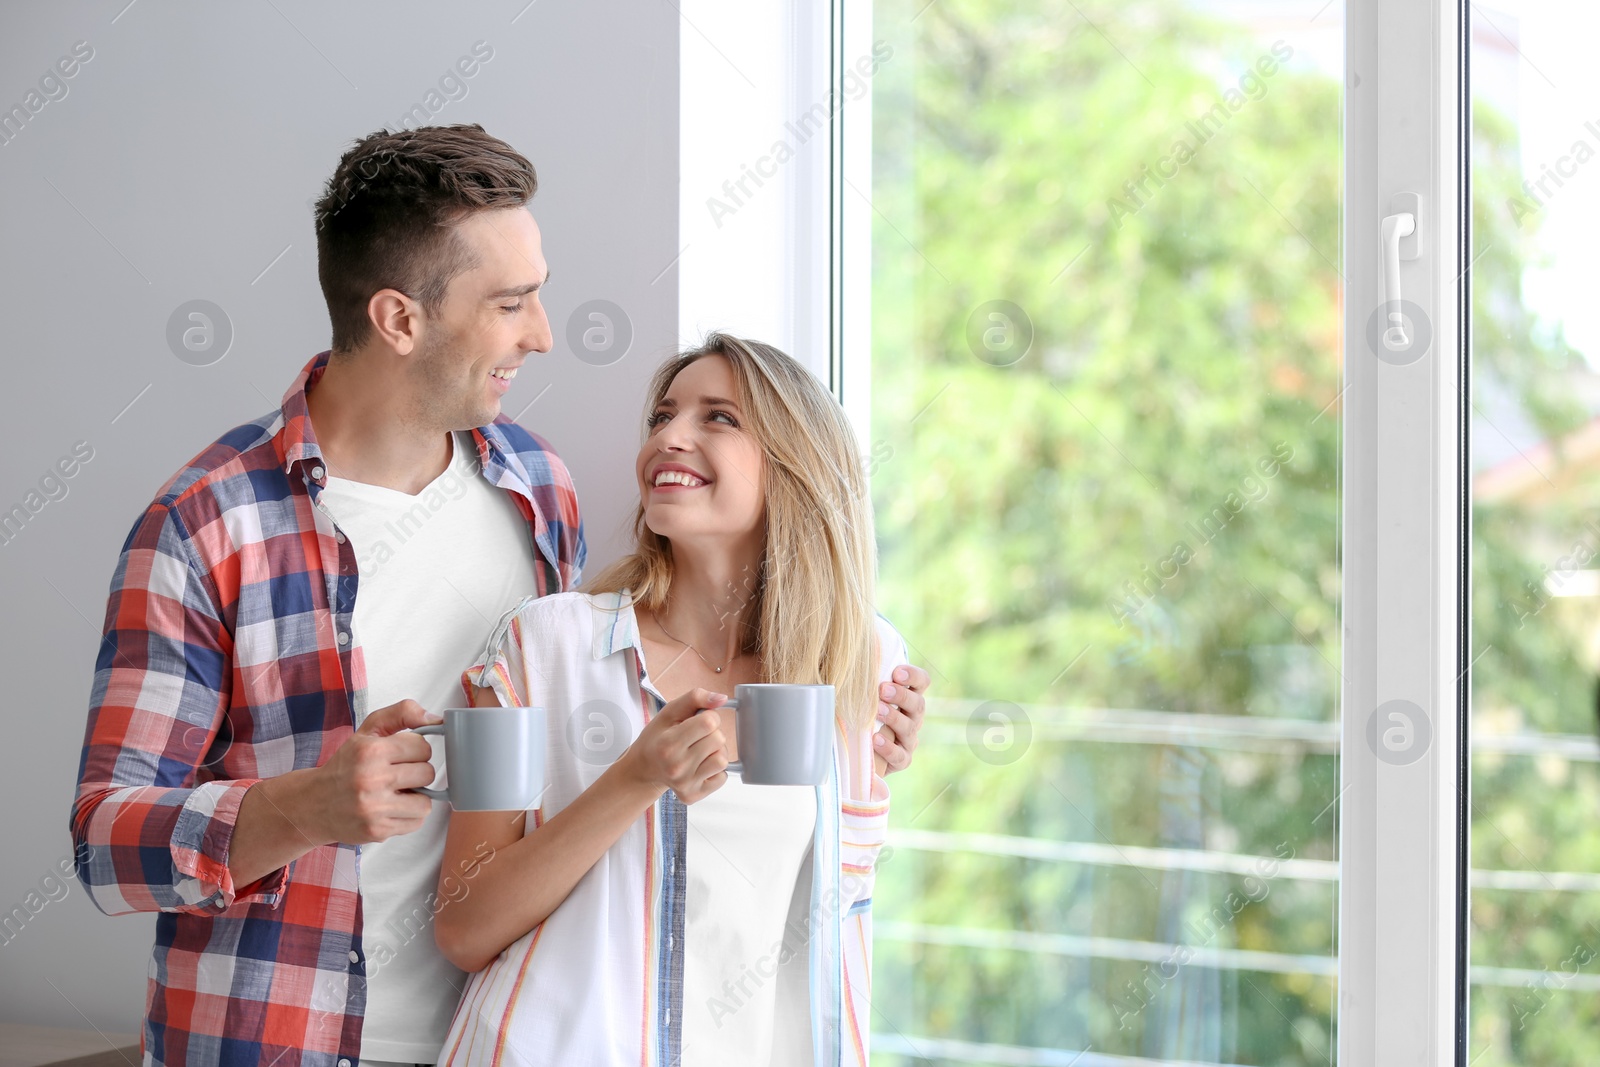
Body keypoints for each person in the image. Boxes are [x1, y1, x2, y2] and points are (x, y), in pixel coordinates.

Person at [66, 123, 933, 1067]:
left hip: (495, 1034)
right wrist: (306, 806)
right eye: (512, 302)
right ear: (401, 320)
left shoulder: (533, 486)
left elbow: (579, 748)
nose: (544, 334)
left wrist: (860, 738)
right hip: (278, 1039)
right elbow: (104, 841)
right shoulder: (208, 524)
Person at [430, 333, 910, 1067]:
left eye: (718, 417)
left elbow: (836, 910)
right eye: (662, 415)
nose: (669, 438)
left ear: (796, 465)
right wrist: (635, 777)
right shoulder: (536, 647)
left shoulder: (858, 661)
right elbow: (463, 925)